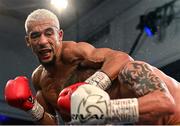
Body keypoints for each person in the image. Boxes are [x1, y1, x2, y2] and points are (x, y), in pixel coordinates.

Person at [3, 8, 180, 125]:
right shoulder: (42, 81)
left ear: (60, 35)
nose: (42, 41)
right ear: (28, 41)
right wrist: (31, 108)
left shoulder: (130, 70)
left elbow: (165, 104)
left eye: (49, 33)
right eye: (35, 36)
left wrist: (92, 91)